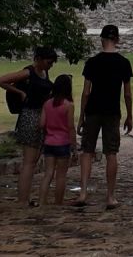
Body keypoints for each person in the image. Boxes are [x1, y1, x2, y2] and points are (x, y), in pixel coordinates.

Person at [73, 24, 133, 209]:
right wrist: (130, 115)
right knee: (111, 153)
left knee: (87, 151)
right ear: (117, 40)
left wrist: (81, 116)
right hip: (112, 111)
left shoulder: (92, 62)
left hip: (93, 110)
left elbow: (86, 92)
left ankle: (83, 192)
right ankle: (110, 196)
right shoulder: (123, 63)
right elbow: (127, 94)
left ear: (101, 40)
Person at [0, 47, 57, 205]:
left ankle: (26, 196)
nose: (50, 65)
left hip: (40, 116)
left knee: (33, 161)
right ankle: (23, 199)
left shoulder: (44, 73)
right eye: (48, 62)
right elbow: (1, 80)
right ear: (39, 59)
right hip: (30, 116)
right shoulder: (28, 72)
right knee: (29, 162)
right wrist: (20, 93)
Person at [39, 74, 75, 205]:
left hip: (49, 142)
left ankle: (42, 200)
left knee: (48, 173)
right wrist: (74, 145)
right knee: (61, 175)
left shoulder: (47, 103)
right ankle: (58, 202)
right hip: (63, 142)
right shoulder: (68, 105)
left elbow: (42, 123)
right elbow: (71, 127)